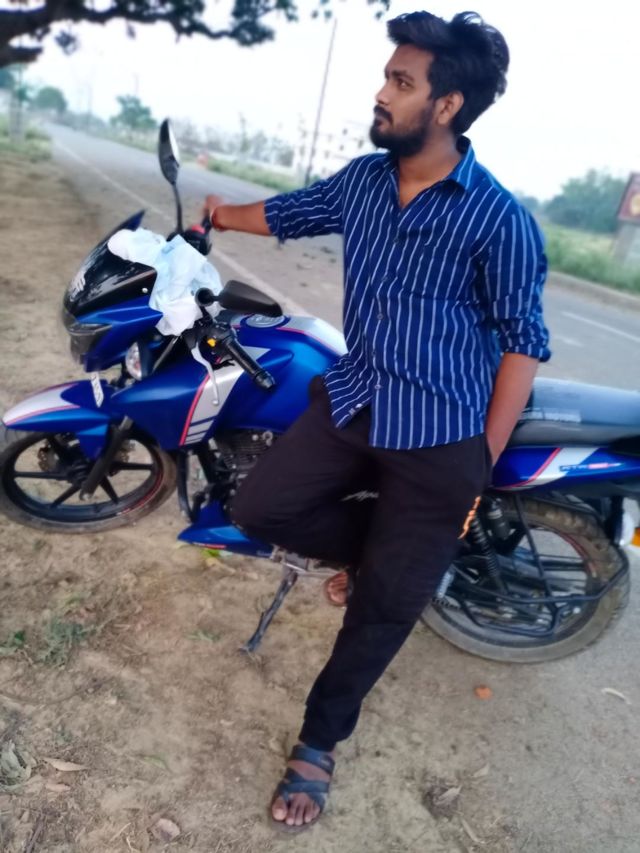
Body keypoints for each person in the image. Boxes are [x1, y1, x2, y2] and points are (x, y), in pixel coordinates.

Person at [203, 9, 550, 832]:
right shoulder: (365, 180)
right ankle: (380, 553)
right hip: (357, 395)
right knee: (260, 506)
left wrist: (480, 460)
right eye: (388, 77)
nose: (382, 93)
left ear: (447, 105)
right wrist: (217, 215)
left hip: (442, 432)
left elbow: (523, 343)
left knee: (383, 608)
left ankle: (318, 743)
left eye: (401, 82)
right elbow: (288, 213)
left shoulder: (499, 219)